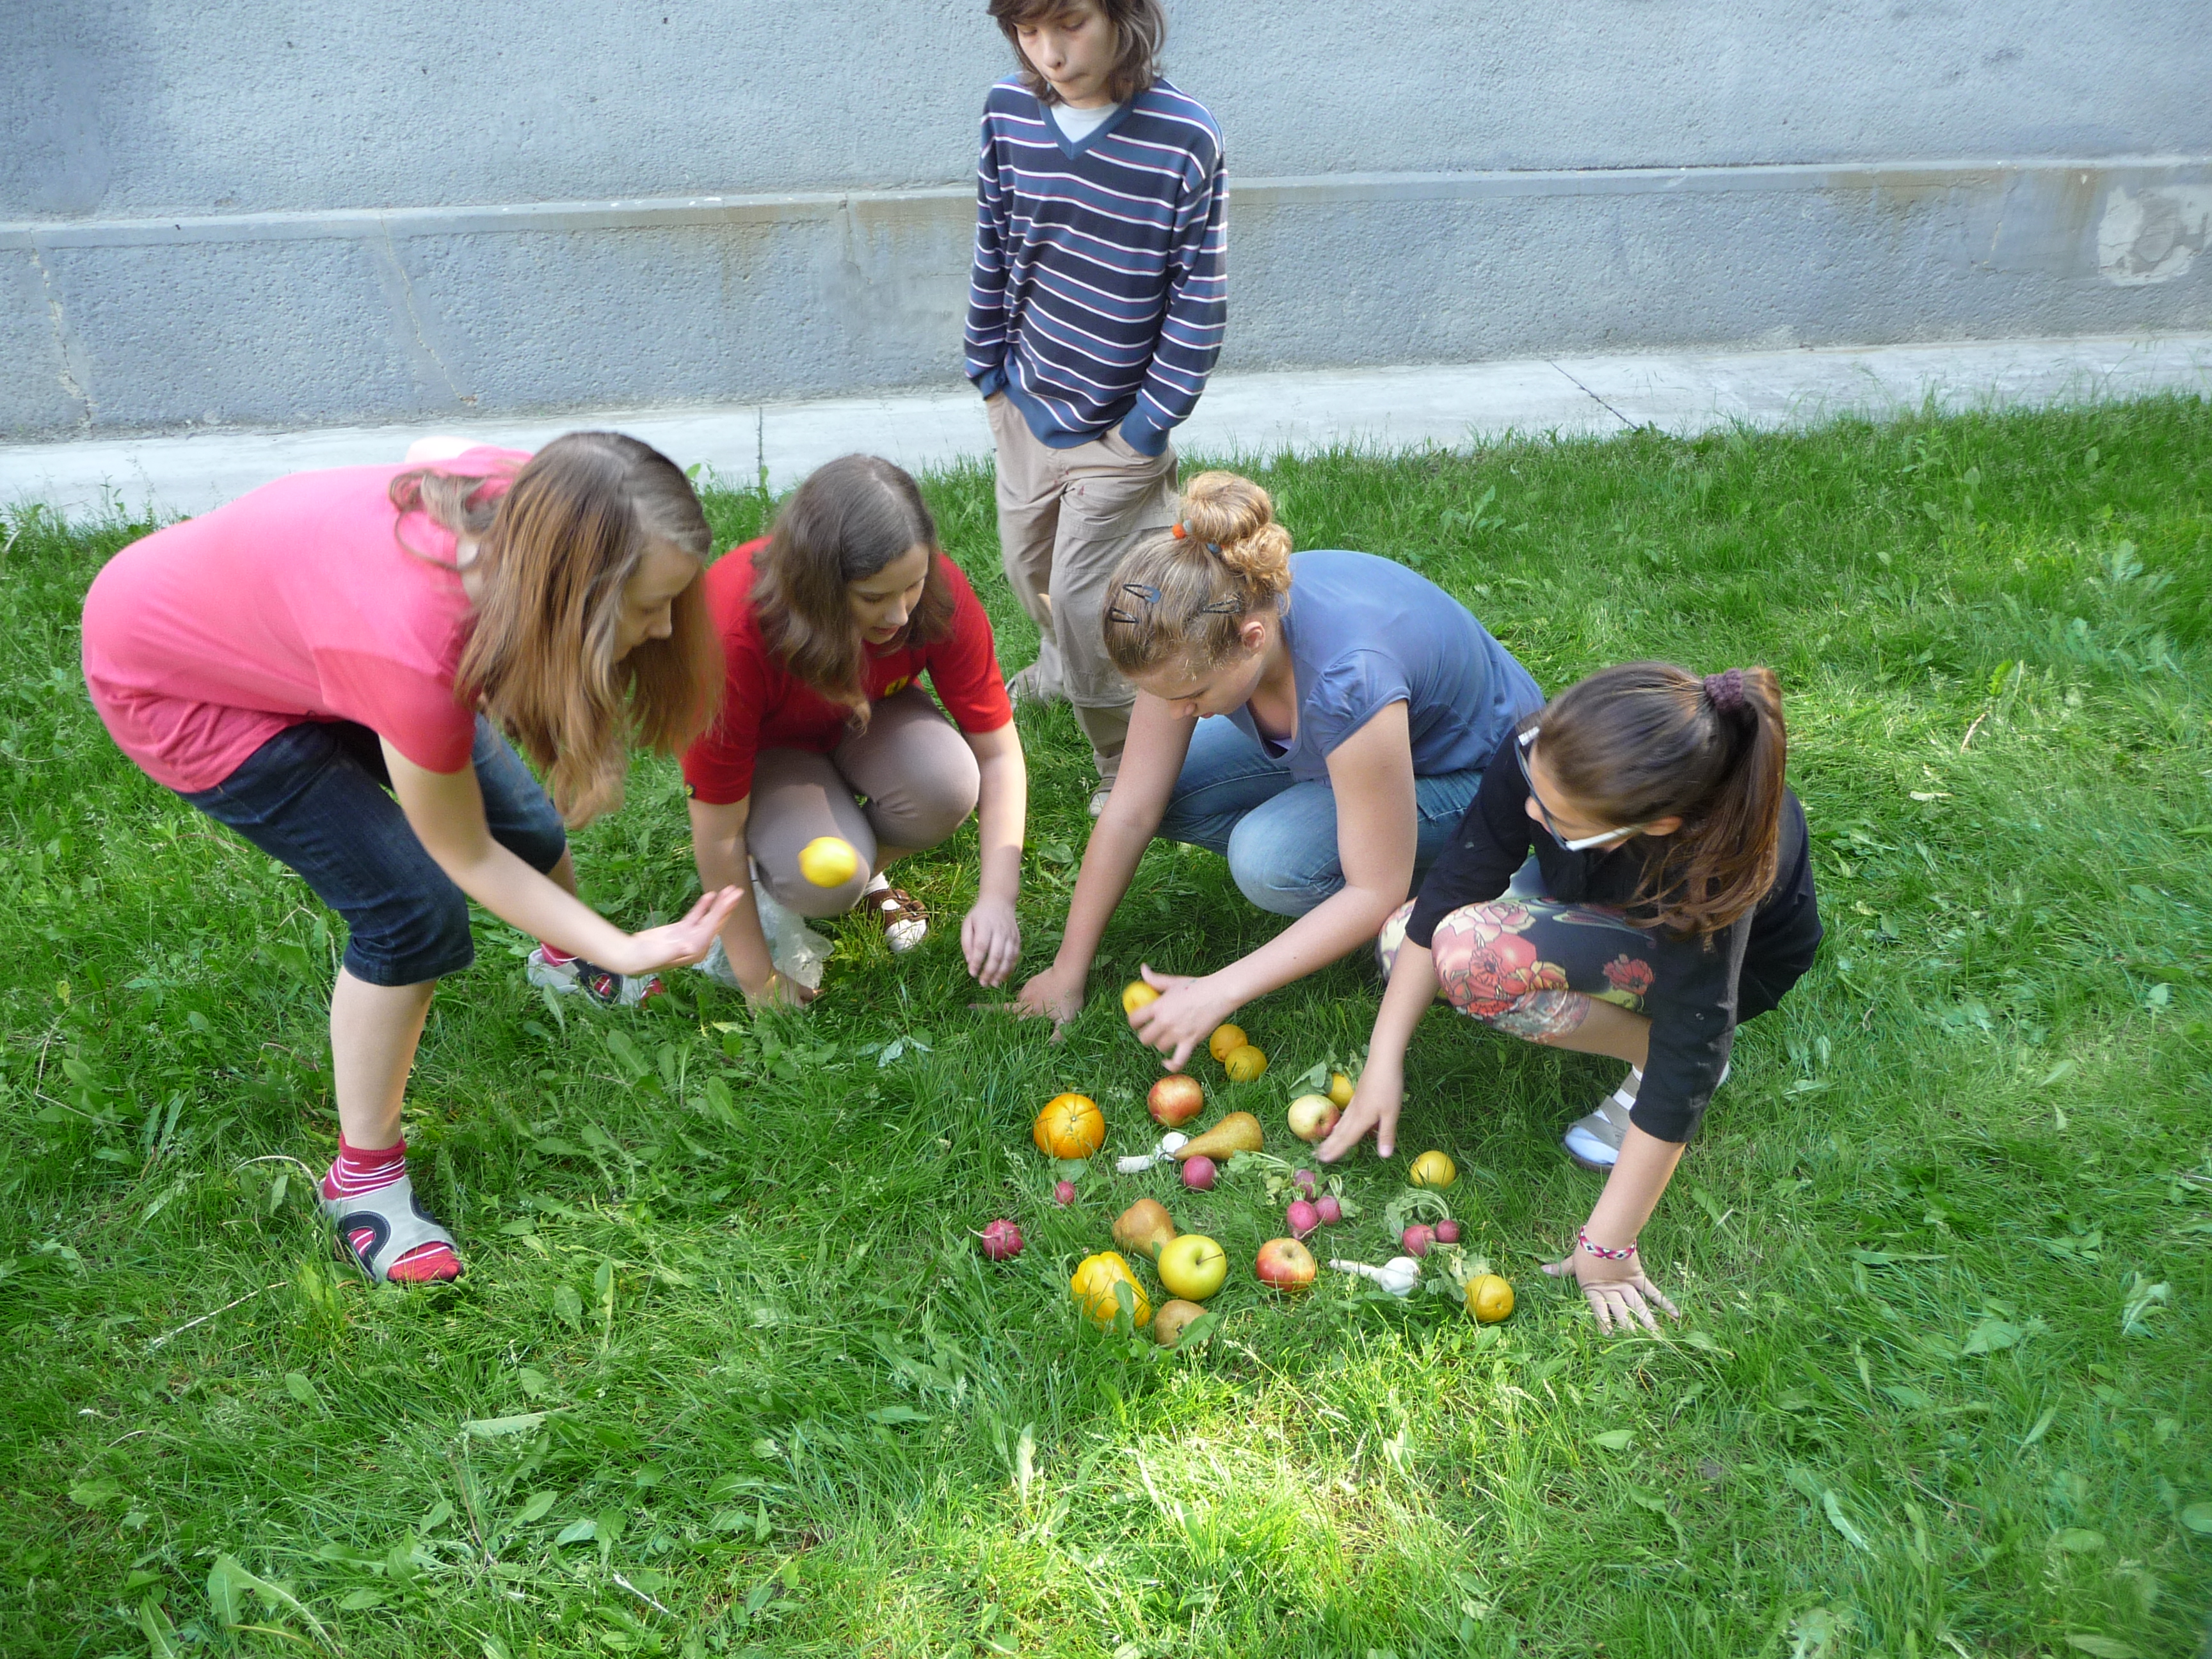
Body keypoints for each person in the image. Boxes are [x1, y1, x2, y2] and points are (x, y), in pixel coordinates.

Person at [79, 433, 742, 1285]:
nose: (666, 629)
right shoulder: (412, 648)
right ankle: (362, 1181)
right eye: (650, 607)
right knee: (411, 913)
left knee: (528, 828)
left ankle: (566, 962)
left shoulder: (547, 500)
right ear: (561, 592)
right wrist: (627, 945)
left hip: (308, 634)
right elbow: (463, 854)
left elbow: (433, 447)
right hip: (178, 684)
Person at [1318, 663, 1823, 1334]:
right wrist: (1384, 1060)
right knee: (1403, 941)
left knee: (1475, 959)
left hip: (1723, 965)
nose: (1531, 811)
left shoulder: (1711, 861)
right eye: (1536, 791)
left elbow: (1694, 1036)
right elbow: (1453, 886)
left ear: (1657, 825)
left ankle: (1651, 1053)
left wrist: (1608, 1249)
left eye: (1557, 818)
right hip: (1608, 894)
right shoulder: (1545, 746)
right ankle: (1634, 1018)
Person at [1015, 471, 1544, 1064]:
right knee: (1170, 794)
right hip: (1363, 740)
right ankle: (1350, 833)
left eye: (1192, 696)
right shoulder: (1191, 623)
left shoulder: (1348, 680)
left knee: (1268, 860)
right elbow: (1132, 807)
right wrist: (1066, 971)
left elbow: (1374, 890)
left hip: (1483, 776)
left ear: (1252, 639)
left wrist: (1218, 990)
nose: (1176, 712)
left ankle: (1441, 896)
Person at [966, 0, 1226, 813]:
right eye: (1027, 30)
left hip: (1120, 429)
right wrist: (987, 369)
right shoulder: (1007, 112)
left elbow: (1198, 301)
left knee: (1089, 603)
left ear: (1122, 14)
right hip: (1024, 400)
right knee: (1027, 566)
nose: (1049, 52)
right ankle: (1059, 666)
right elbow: (994, 235)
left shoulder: (1184, 137)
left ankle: (1122, 757)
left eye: (1070, 23)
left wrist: (1149, 424)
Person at [683, 454, 1029, 1004]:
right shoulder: (732, 634)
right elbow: (716, 827)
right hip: (771, 751)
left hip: (869, 716)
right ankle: (775, 875)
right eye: (873, 598)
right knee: (824, 881)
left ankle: (858, 861)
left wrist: (997, 900)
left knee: (947, 785)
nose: (900, 615)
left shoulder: (935, 593)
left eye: (913, 586)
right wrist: (758, 980)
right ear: (815, 585)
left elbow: (998, 755)